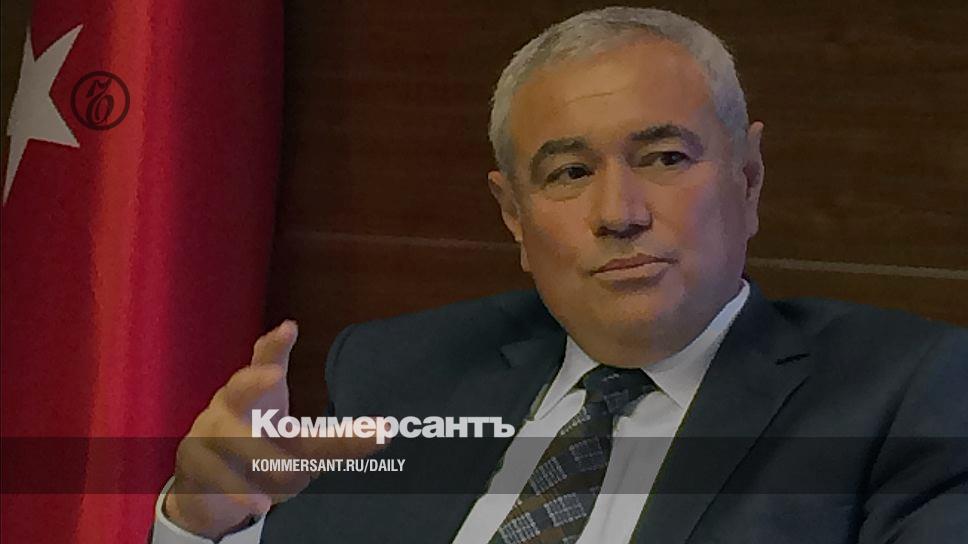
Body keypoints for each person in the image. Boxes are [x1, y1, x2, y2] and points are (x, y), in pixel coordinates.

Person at [152, 7, 968, 543]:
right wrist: (204, 522)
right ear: (513, 214)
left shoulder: (900, 396)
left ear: (747, 178)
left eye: (664, 158)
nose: (620, 212)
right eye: (570, 173)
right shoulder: (403, 373)